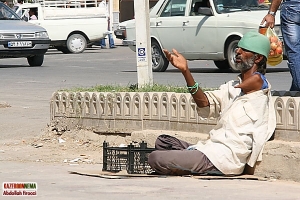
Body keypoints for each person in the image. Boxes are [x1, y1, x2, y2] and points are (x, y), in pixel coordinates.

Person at [148, 31, 276, 176]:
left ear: (258, 58)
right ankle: (187, 161)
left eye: (244, 49)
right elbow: (204, 103)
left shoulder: (260, 86)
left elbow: (255, 80)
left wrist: (238, 87)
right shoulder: (231, 87)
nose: (237, 52)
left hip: (225, 157)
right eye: (238, 48)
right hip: (210, 148)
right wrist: (185, 72)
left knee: (155, 158)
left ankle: (188, 165)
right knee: (163, 141)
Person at [261, 0, 300, 91]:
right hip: (292, 9)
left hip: (292, 8)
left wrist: (271, 13)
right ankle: (294, 94)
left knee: (295, 52)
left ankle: (297, 90)